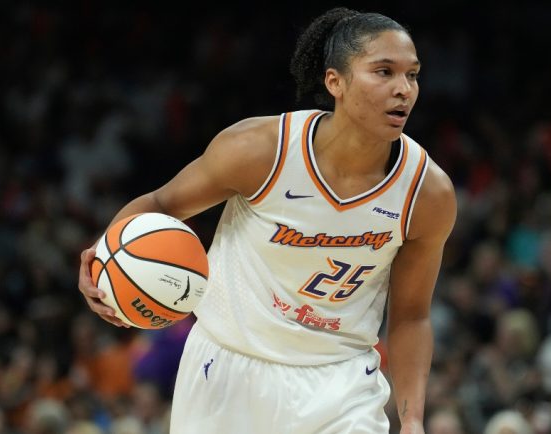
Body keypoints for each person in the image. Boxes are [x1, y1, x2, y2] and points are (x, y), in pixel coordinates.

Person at [77, 7, 456, 434]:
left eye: (413, 75)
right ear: (335, 82)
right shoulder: (260, 150)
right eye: (383, 72)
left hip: (341, 382)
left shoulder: (428, 194)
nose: (403, 89)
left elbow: (411, 315)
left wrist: (412, 419)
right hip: (226, 368)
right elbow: (162, 203)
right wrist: (100, 261)